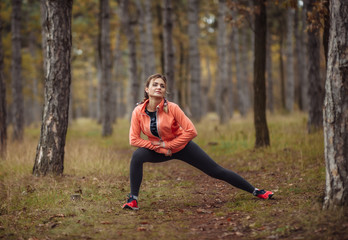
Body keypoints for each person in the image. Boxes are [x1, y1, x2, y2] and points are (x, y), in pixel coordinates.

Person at [122, 73, 273, 210]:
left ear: (164, 91)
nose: (159, 87)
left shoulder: (172, 108)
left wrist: (168, 145)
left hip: (182, 147)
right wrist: (160, 148)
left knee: (216, 171)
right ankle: (133, 200)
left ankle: (256, 191)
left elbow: (191, 131)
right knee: (137, 156)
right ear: (147, 89)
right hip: (158, 150)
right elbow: (133, 139)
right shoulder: (138, 111)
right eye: (155, 84)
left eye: (162, 85)